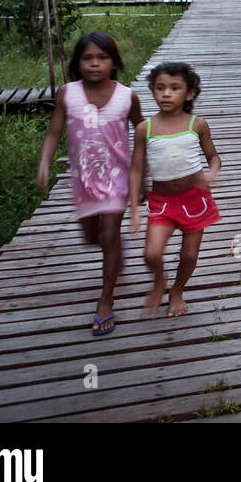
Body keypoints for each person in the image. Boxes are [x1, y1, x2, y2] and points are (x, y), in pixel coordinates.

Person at [36, 31, 143, 336]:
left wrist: (142, 176)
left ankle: (106, 300)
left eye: (102, 58)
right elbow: (54, 132)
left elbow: (142, 133)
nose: (95, 64)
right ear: (78, 63)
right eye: (88, 58)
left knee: (109, 235)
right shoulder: (68, 94)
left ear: (114, 62)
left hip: (117, 179)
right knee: (92, 236)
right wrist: (44, 161)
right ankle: (116, 248)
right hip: (84, 181)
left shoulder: (126, 96)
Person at [129, 62, 222, 318]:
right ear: (153, 91)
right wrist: (135, 210)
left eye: (174, 88)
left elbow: (213, 157)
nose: (166, 94)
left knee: (190, 255)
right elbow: (136, 169)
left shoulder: (197, 125)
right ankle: (160, 279)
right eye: (160, 88)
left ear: (189, 93)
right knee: (151, 253)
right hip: (162, 202)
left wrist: (212, 173)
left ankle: (177, 290)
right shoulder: (144, 129)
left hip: (195, 199)